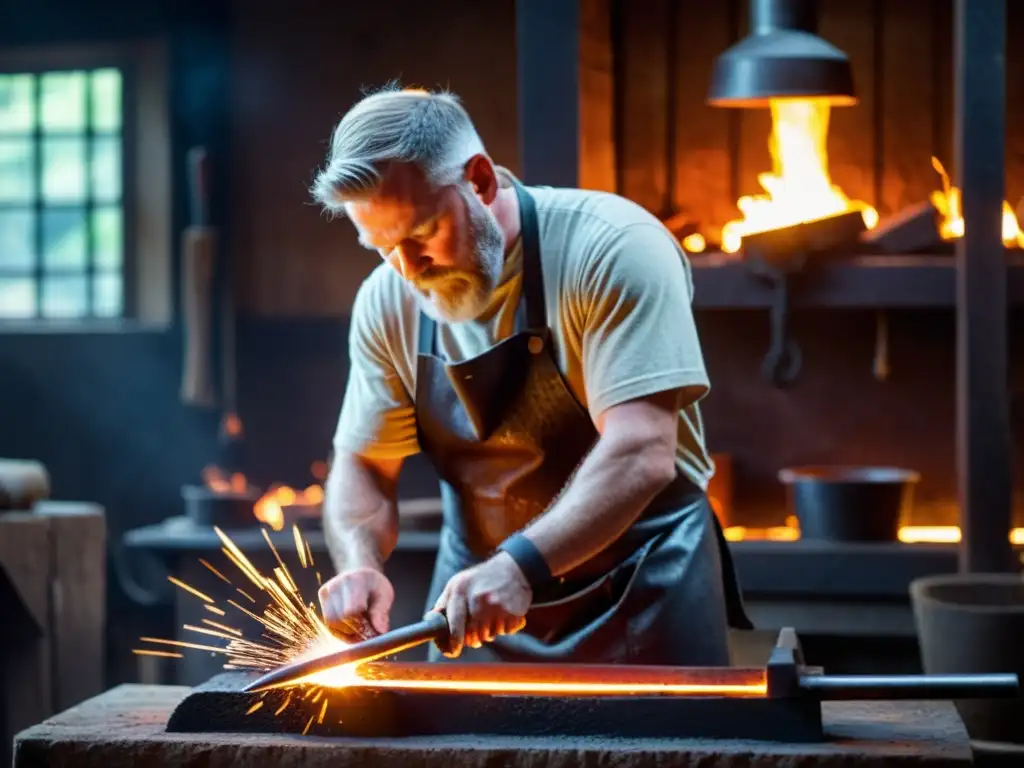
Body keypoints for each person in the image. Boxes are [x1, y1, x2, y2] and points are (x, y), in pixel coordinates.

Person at [314, 84, 751, 665]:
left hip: (642, 591)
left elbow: (642, 448)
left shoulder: (614, 248)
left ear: (480, 179)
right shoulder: (388, 300)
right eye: (381, 247)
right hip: (474, 607)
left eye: (420, 235)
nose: (408, 269)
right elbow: (364, 464)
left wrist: (521, 565)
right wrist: (360, 563)